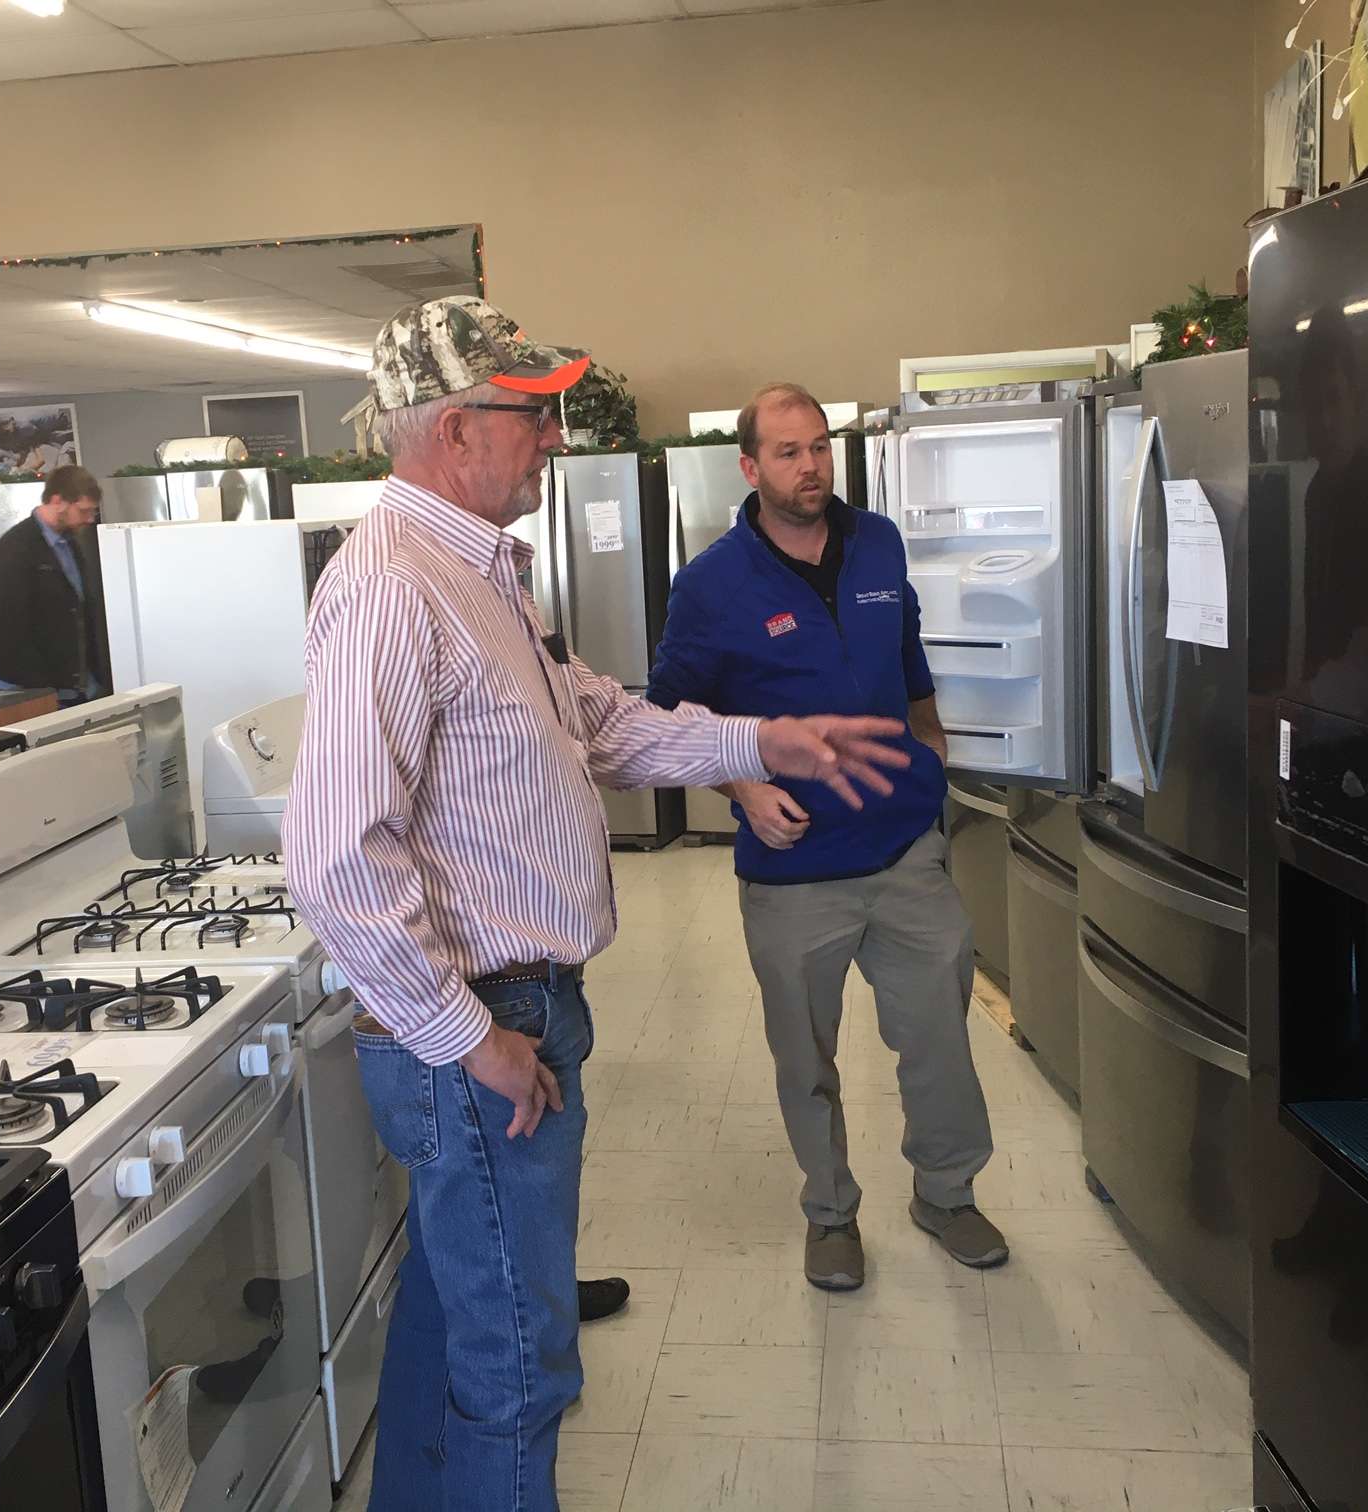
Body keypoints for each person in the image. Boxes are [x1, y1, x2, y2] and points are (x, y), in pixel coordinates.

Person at [282, 298, 912, 1511]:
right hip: (477, 1024)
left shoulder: (478, 574)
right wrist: (480, 1042)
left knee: (447, 1328)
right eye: (535, 415)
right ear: (457, 428)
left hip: (512, 1009)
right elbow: (336, 862)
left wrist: (763, 738)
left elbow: (602, 720)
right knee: (520, 1359)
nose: (557, 440)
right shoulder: (393, 589)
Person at [648, 382, 1005, 1293]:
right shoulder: (711, 584)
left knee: (939, 1039)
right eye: (788, 453)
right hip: (793, 865)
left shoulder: (877, 542)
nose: (810, 467)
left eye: (819, 447)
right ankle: (831, 1213)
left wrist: (932, 758)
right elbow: (669, 715)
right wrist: (742, 785)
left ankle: (947, 1193)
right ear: (749, 466)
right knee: (805, 1057)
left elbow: (908, 654)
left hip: (904, 850)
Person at [0, 464, 108, 707]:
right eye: (83, 511)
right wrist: (43, 693)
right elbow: (13, 627)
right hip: (35, 691)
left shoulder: (71, 543)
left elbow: (81, 611)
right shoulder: (14, 550)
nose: (90, 519)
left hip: (76, 687)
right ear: (58, 501)